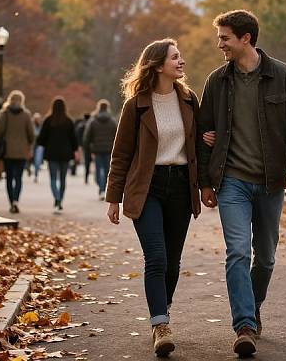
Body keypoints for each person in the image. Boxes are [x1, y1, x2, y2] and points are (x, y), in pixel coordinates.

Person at [198, 9, 286, 357]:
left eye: (225, 38)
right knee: (237, 252)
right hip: (231, 181)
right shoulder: (217, 81)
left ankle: (254, 303)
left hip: (271, 181)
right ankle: (244, 325)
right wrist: (205, 181)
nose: (220, 44)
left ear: (245, 38)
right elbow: (201, 130)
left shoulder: (283, 76)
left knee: (265, 258)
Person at [106, 39, 201, 357]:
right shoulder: (136, 105)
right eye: (176, 57)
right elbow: (121, 154)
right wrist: (113, 198)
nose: (181, 61)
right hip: (147, 187)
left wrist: (206, 139)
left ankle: (164, 308)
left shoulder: (189, 99)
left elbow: (197, 142)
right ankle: (160, 326)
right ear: (158, 65)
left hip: (180, 187)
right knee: (156, 258)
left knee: (172, 263)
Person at [0, 90, 35, 213]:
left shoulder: (4, 114)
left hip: (8, 151)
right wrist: (29, 144)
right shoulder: (26, 115)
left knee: (9, 177)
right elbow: (31, 134)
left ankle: (11, 201)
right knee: (19, 177)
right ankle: (16, 199)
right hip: (21, 151)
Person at [36, 98, 78, 212]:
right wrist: (75, 150)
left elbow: (40, 139)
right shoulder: (68, 121)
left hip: (52, 153)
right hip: (65, 153)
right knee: (63, 179)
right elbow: (74, 139)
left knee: (53, 178)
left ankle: (57, 198)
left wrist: (45, 143)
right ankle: (60, 199)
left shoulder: (48, 120)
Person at [84, 100, 117, 200]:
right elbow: (117, 136)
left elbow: (87, 136)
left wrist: (88, 149)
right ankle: (104, 188)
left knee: (98, 170)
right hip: (109, 150)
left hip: (97, 150)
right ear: (107, 108)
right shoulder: (112, 121)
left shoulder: (93, 121)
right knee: (107, 170)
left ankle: (101, 188)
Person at [76, 113, 92, 182]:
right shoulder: (91, 124)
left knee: (86, 161)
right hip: (91, 145)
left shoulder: (80, 125)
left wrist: (79, 145)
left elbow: (78, 136)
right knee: (90, 161)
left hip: (84, 146)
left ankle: (86, 177)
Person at [32, 112, 44, 183]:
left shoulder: (42, 126)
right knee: (30, 160)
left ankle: (36, 175)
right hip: (32, 145)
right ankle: (29, 170)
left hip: (39, 145)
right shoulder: (31, 126)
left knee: (37, 161)